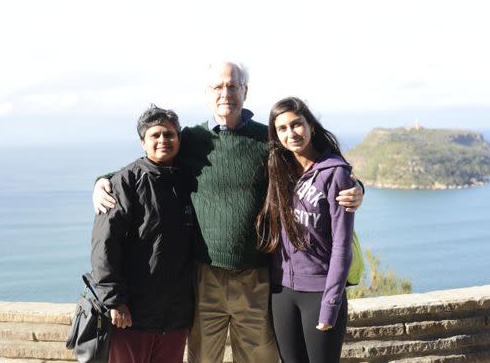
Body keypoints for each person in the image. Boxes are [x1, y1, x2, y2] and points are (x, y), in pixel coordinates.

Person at [92, 62, 364, 363]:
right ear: (207, 95)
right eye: (217, 87)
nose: (226, 93)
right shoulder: (193, 140)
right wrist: (103, 180)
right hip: (205, 277)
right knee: (203, 359)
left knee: (259, 359)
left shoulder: (268, 138)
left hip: (257, 277)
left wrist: (356, 185)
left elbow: (311, 164)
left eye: (233, 86)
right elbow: (153, 158)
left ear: (245, 91)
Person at [91, 105, 195, 363]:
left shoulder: (187, 180)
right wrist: (114, 301)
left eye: (169, 135)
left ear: (179, 139)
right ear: (142, 142)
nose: (163, 140)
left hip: (176, 315)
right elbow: (105, 244)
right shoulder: (125, 182)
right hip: (133, 313)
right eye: (155, 135)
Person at [256, 97, 354, 363]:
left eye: (296, 124)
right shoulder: (278, 169)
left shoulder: (335, 173)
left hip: (319, 292)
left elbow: (342, 246)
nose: (291, 134)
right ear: (276, 136)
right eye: (283, 129)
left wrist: (330, 304)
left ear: (310, 124)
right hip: (282, 291)